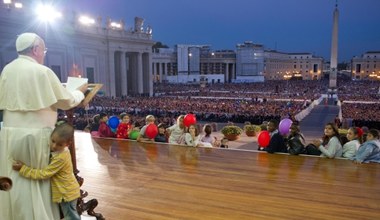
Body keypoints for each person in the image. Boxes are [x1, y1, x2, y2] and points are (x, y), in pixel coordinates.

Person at [0, 32, 87, 220]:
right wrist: (79, 92)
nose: (44, 54)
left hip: (9, 134)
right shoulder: (42, 71)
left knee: (15, 179)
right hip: (35, 136)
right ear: (36, 49)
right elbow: (67, 101)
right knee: (35, 184)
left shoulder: (7, 69)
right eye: (44, 50)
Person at [12, 122, 81, 220]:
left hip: (67, 193)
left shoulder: (61, 158)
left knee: (71, 217)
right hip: (67, 191)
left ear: (68, 143)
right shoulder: (62, 151)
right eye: (53, 141)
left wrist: (23, 169)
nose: (54, 146)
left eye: (59, 144)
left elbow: (44, 174)